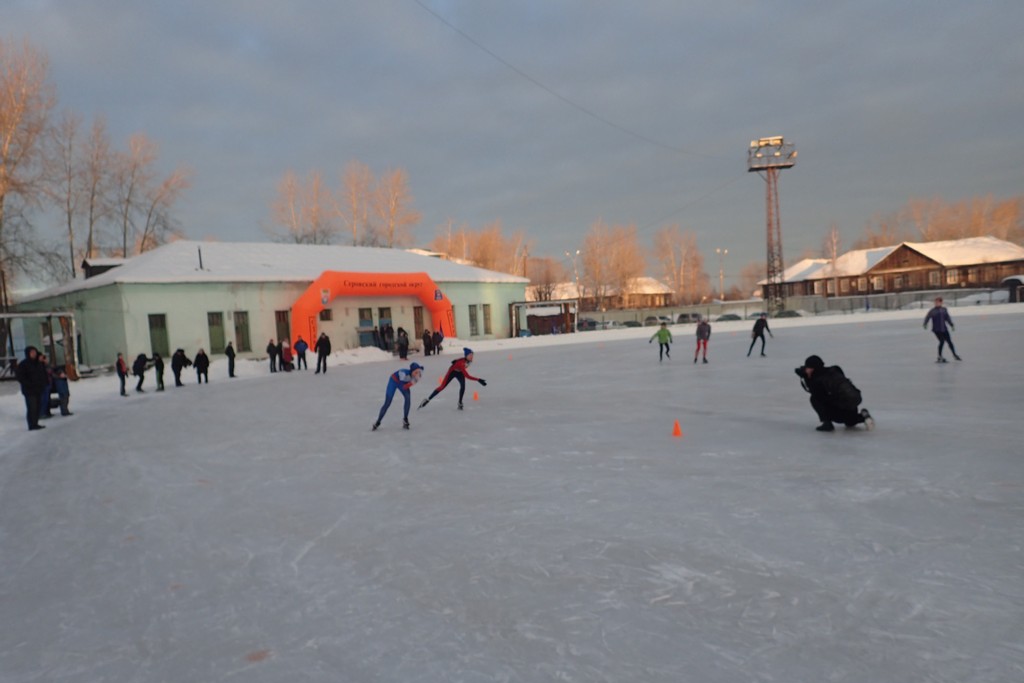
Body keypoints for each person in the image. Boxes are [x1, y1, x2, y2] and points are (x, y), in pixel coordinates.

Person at [796, 355, 874, 432]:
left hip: (841, 408)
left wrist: (806, 378)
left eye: (808, 367)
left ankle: (827, 423)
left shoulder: (818, 381)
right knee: (850, 422)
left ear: (812, 369)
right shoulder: (834, 370)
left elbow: (817, 394)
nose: (806, 369)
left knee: (814, 399)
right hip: (852, 406)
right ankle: (863, 416)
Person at [418, 347, 487, 411]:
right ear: (466, 356)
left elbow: (460, 364)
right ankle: (427, 399)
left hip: (460, 372)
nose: (471, 356)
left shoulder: (468, 361)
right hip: (452, 372)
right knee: (442, 387)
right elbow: (467, 376)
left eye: (472, 355)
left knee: (463, 386)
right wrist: (478, 379)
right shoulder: (462, 363)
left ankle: (460, 402)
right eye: (470, 355)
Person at [372, 362, 424, 431]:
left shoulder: (418, 375)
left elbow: (408, 384)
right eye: (415, 372)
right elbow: (405, 386)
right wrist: (412, 382)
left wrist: (413, 381)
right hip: (393, 381)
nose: (417, 374)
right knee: (387, 402)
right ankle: (378, 421)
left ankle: (405, 419)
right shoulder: (403, 373)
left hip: (403, 383)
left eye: (418, 372)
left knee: (408, 398)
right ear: (411, 371)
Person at [15, 346, 49, 431]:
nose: (34, 354)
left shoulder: (39, 363)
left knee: (38, 406)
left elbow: (43, 374)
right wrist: (28, 384)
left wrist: (44, 383)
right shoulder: (24, 364)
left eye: (34, 352)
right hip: (29, 390)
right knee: (32, 407)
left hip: (39, 389)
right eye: (32, 352)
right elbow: (20, 377)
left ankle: (35, 423)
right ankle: (32, 424)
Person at [923, 296, 961, 362]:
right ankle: (939, 356)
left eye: (938, 302)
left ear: (941, 303)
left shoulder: (944, 310)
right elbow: (928, 317)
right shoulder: (932, 311)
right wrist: (925, 323)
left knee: (950, 342)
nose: (936, 303)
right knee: (942, 341)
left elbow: (947, 318)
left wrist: (951, 324)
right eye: (935, 302)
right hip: (936, 330)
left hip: (944, 329)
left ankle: (954, 355)